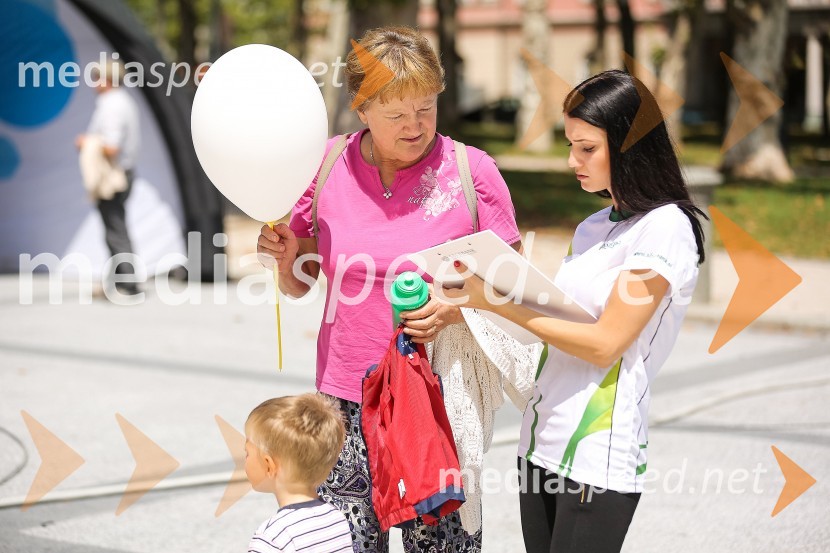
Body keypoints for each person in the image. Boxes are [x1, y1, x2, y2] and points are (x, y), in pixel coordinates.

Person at [257, 26, 524, 553]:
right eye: (397, 114)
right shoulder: (327, 165)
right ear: (361, 109)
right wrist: (286, 263)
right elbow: (301, 282)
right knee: (348, 546)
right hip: (343, 401)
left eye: (426, 108)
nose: (416, 126)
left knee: (443, 546)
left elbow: (514, 291)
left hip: (436, 398)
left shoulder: (473, 173)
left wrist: (453, 310)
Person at [443, 69, 707, 553]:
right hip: (537, 444)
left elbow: (606, 342)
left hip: (597, 454)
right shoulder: (591, 226)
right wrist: (472, 301)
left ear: (630, 145)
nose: (571, 161)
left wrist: (494, 300)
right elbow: (557, 322)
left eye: (587, 148)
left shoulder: (666, 227)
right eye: (570, 145)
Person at [244, 394, 352, 553]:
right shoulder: (337, 519)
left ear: (269, 466)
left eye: (247, 453)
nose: (244, 459)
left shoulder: (273, 538)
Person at [75, 57, 141, 295]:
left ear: (109, 79)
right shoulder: (124, 101)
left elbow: (112, 147)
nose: (94, 83)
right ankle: (121, 281)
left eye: (98, 77)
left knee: (115, 228)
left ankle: (128, 283)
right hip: (123, 173)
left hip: (113, 175)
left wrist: (86, 142)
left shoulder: (111, 104)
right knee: (115, 227)